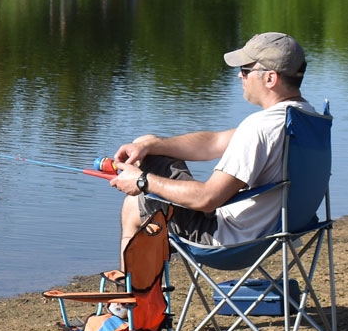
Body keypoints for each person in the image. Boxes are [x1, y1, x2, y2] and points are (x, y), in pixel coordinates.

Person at [107, 33, 320, 250]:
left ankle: (132, 285)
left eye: (245, 70)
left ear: (270, 78)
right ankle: (140, 282)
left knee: (134, 205)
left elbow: (207, 199)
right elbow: (214, 142)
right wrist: (152, 144)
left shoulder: (259, 127)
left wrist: (142, 181)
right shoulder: (306, 119)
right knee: (147, 146)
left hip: (231, 240)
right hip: (282, 230)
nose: (239, 77)